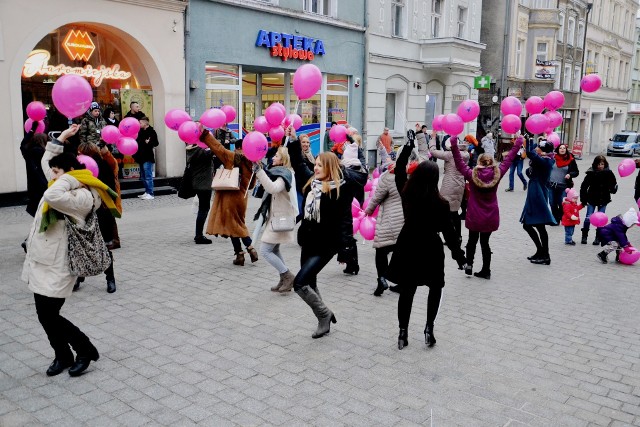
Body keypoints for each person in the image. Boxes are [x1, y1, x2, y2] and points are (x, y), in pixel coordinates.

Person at [22, 124, 119, 377]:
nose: (51, 176)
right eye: (53, 173)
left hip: (58, 264)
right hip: (41, 261)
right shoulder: (61, 183)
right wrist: (61, 139)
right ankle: (62, 354)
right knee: (44, 315)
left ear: (71, 175)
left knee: (49, 315)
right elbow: (48, 163)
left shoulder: (82, 198)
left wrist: (70, 175)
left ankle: (84, 350)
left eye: (57, 173)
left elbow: (53, 195)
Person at [387, 137, 465, 350]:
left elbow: (400, 170)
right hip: (431, 247)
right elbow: (450, 234)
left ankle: (403, 332)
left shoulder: (407, 195)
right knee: (435, 288)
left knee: (407, 291)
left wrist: (408, 147)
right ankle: (429, 328)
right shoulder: (441, 204)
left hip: (408, 244)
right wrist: (460, 257)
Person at [287, 141, 359, 339]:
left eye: (320, 165)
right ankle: (323, 319)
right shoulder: (312, 182)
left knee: (300, 284)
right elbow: (298, 164)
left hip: (326, 245)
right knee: (310, 282)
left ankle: (324, 315)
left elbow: (345, 221)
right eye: (315, 164)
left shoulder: (339, 189)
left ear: (329, 168)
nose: (316, 168)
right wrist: (294, 139)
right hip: (308, 241)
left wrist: (346, 250)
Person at [451, 134, 523, 280]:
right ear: (491, 162)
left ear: (479, 162)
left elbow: (459, 163)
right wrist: (519, 143)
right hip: (490, 215)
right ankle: (486, 270)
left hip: (474, 215)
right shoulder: (497, 174)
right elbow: (508, 160)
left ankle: (469, 265)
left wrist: (453, 143)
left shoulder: (472, 175)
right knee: (485, 243)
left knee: (472, 241)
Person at [199, 128, 259, 265]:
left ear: (238, 148)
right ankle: (239, 255)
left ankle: (250, 247)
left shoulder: (232, 157)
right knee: (234, 224)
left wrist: (205, 135)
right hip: (242, 198)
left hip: (230, 198)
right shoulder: (253, 162)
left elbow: (217, 147)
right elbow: (251, 186)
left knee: (235, 225)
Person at [75, 142, 121, 293]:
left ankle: (110, 278)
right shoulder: (77, 166)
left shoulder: (102, 165)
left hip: (100, 211)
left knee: (102, 247)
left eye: (80, 151)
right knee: (81, 246)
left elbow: (110, 189)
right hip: (82, 211)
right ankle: (78, 277)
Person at [253, 147, 298, 293]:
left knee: (265, 250)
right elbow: (270, 178)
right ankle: (283, 278)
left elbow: (273, 188)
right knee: (275, 248)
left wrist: (259, 172)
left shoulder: (285, 174)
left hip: (280, 218)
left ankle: (288, 276)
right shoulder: (280, 172)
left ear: (283, 159)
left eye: (276, 156)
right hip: (275, 218)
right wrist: (261, 168)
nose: (273, 158)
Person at [364, 163, 404, 296]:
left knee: (381, 251)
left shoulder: (388, 177)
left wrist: (368, 211)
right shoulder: (409, 176)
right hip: (405, 220)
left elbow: (376, 197)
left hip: (390, 220)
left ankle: (382, 279)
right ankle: (402, 283)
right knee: (400, 252)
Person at [428, 130, 469, 244]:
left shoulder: (450, 155)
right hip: (460, 185)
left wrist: (433, 137)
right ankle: (458, 237)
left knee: (442, 210)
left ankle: (442, 236)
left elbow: (432, 151)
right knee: (454, 212)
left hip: (449, 185)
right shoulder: (465, 155)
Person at [520, 139, 556, 265]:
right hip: (534, 192)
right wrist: (533, 141)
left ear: (543, 150)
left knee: (538, 226)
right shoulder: (544, 159)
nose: (536, 148)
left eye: (539, 147)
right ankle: (541, 252)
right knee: (529, 225)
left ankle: (545, 255)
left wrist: (528, 140)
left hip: (538, 194)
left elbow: (531, 153)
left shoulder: (547, 161)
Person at [579, 155, 618, 245]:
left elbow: (612, 185)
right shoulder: (591, 173)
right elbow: (584, 187)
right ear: (595, 164)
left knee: (601, 220)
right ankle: (584, 236)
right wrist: (584, 200)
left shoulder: (609, 173)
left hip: (603, 199)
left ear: (605, 164)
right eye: (598, 164)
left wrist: (614, 189)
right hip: (591, 198)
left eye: (602, 164)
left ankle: (598, 237)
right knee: (588, 218)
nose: (600, 166)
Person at [185, 143, 214, 244]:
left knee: (202, 208)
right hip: (204, 185)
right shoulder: (201, 153)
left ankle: (198, 234)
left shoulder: (192, 151)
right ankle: (199, 236)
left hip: (198, 183)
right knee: (204, 209)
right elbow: (215, 149)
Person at [548, 143, 579, 224]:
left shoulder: (570, 159)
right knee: (552, 203)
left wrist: (570, 174)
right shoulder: (553, 158)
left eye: (564, 148)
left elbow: (576, 172)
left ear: (566, 150)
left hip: (564, 186)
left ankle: (560, 216)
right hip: (551, 185)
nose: (562, 149)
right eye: (560, 148)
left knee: (561, 203)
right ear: (558, 149)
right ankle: (555, 219)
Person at [134, 117, 159, 200]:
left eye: (140, 123)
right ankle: (147, 192)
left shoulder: (151, 131)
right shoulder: (140, 132)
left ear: (145, 123)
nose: (139, 124)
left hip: (148, 157)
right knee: (143, 176)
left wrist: (149, 142)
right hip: (141, 156)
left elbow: (156, 143)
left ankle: (151, 193)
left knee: (148, 176)